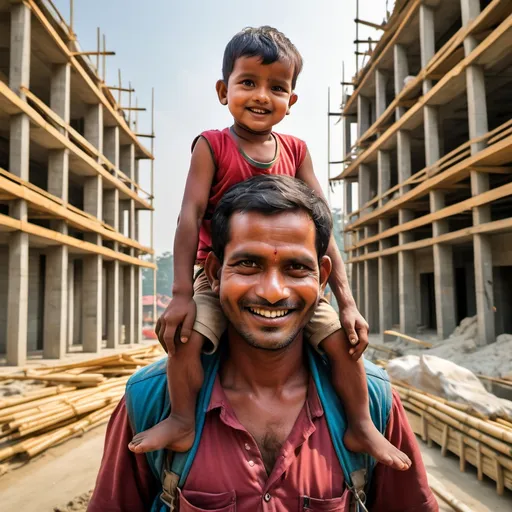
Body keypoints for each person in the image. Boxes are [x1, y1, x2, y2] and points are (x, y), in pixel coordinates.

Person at [128, 26, 410, 470]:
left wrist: (346, 301)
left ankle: (360, 424)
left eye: (276, 87)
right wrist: (183, 292)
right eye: (248, 83)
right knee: (186, 339)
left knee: (340, 341)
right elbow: (188, 216)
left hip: (293, 272)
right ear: (224, 90)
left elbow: (323, 228)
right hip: (221, 274)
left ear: (291, 99)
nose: (261, 96)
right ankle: (183, 418)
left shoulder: (296, 151)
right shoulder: (212, 146)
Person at [89, 176, 438, 511]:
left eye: (297, 268)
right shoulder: (149, 402)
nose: (272, 292)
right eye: (247, 264)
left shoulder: (376, 404)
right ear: (212, 274)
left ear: (323, 279)